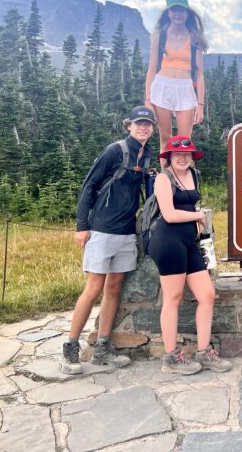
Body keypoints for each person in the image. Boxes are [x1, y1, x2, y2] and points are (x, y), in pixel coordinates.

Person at [61, 106, 155, 375]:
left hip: (127, 233)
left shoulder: (146, 155)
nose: (143, 128)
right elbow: (88, 186)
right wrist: (82, 226)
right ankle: (70, 348)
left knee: (113, 290)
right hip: (101, 230)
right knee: (92, 289)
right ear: (129, 126)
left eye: (147, 125)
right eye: (138, 124)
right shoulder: (114, 151)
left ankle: (102, 348)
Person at [149, 135, 232, 374]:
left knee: (207, 294)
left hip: (189, 241)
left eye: (187, 154)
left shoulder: (193, 175)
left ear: (192, 157)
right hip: (168, 242)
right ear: (169, 158)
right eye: (177, 154)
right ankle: (171, 357)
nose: (183, 158)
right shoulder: (163, 179)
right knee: (173, 298)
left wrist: (196, 217)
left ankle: (205, 352)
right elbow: (169, 215)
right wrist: (198, 217)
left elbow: (189, 204)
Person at [145, 0, 207, 162]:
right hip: (161, 86)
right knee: (165, 139)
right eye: (174, 10)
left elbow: (200, 74)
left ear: (187, 13)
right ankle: (166, 180)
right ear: (168, 13)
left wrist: (200, 105)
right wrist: (148, 99)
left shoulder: (195, 39)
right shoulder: (160, 36)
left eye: (181, 10)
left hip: (185, 88)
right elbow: (151, 69)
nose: (178, 14)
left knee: (184, 141)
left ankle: (186, 183)